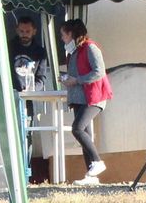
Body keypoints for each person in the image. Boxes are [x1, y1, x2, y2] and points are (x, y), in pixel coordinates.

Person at [59, 19, 112, 185]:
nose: (62, 39)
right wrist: (67, 79)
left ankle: (97, 162)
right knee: (86, 136)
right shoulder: (74, 52)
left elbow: (99, 72)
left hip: (93, 97)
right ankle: (91, 175)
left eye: (63, 35)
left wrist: (77, 80)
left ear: (71, 34)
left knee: (77, 129)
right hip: (80, 99)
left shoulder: (90, 47)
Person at [11, 14, 48, 93]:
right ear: (17, 30)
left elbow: (41, 78)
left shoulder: (40, 52)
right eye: (21, 31)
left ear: (34, 31)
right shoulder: (8, 48)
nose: (24, 34)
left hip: (29, 95)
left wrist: (32, 88)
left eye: (28, 31)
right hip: (10, 94)